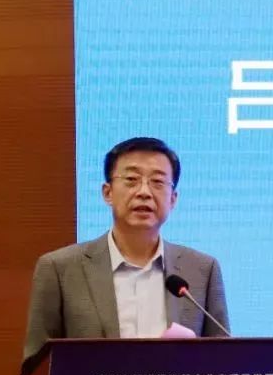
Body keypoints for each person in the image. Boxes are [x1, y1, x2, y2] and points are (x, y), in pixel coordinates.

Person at [22, 137, 229, 361]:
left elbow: (224, 361)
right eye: (131, 180)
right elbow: (37, 365)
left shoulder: (202, 270)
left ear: (173, 199)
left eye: (158, 182)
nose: (144, 192)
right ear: (107, 192)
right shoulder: (60, 269)